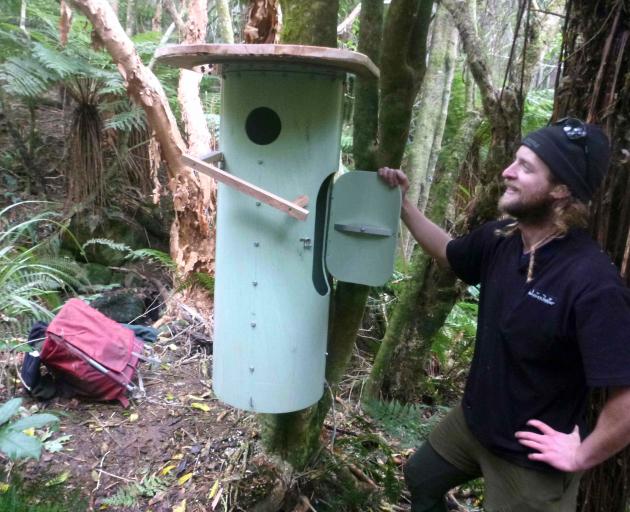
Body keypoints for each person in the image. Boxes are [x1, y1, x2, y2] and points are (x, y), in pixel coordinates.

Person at [378, 119, 630, 512]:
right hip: (475, 423)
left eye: (526, 167)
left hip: (530, 460)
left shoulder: (593, 282)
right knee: (421, 478)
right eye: (515, 161)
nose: (507, 172)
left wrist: (582, 456)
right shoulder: (504, 238)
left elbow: (626, 400)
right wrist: (402, 204)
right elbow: (449, 251)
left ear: (561, 190)